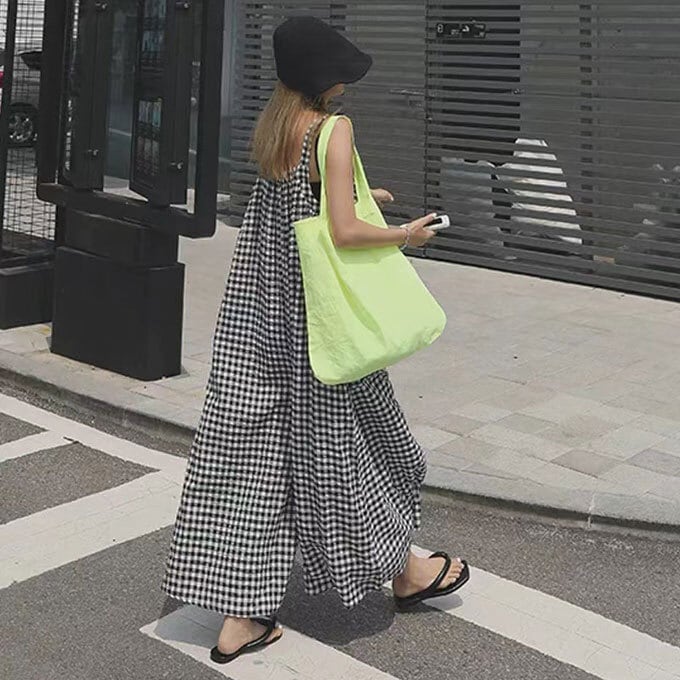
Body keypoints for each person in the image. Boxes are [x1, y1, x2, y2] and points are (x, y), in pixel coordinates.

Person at [160, 15, 469, 665]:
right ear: (328, 75)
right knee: (353, 450)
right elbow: (345, 233)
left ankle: (241, 618)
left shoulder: (276, 129)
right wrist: (406, 234)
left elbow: (301, 204)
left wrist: (359, 191)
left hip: (258, 323)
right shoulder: (333, 128)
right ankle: (405, 572)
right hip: (317, 330)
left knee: (256, 466)